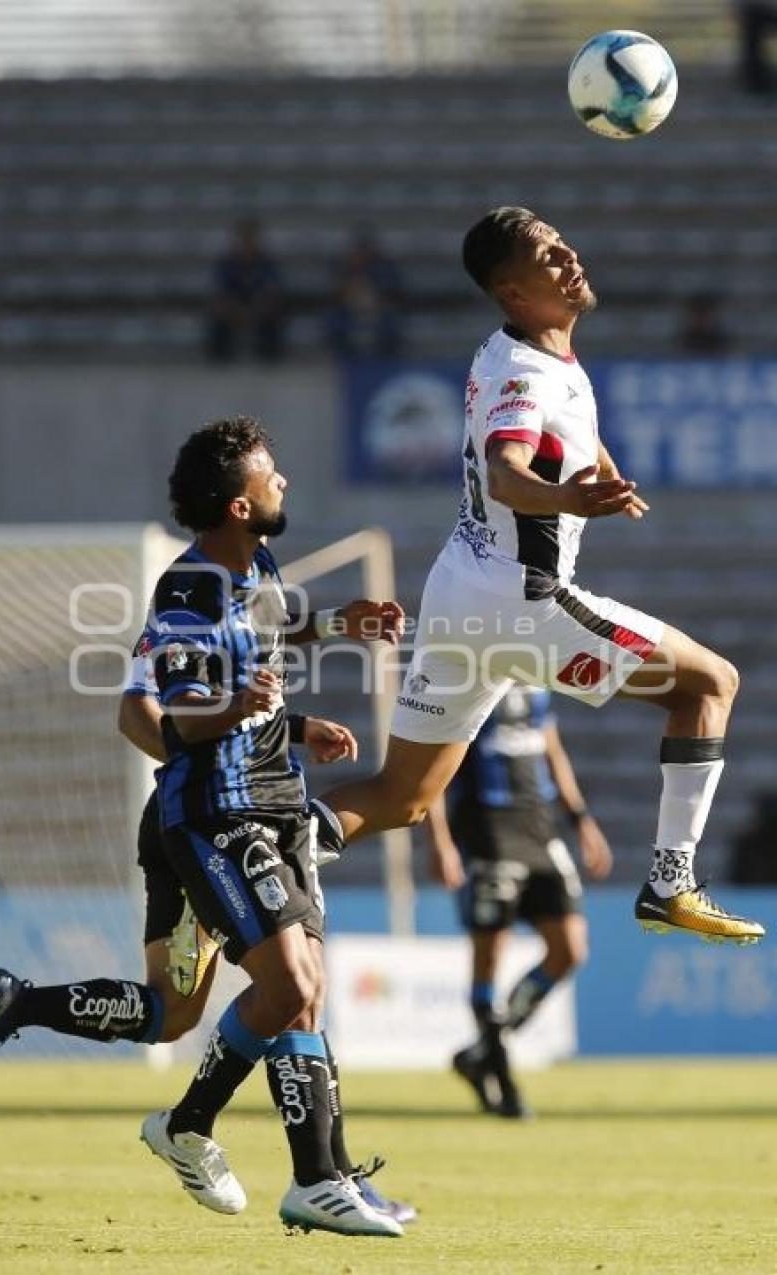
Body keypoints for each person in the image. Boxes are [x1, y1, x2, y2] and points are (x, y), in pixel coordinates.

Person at [0, 418, 411, 1236]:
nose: (285, 482)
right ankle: (227, 1140)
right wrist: (242, 724)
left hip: (249, 801)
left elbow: (264, 634)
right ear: (238, 501)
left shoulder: (250, 566)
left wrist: (331, 641)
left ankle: (21, 1005)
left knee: (177, 1012)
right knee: (290, 986)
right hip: (215, 813)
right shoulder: (188, 589)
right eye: (272, 474)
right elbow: (160, 711)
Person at [314, 205, 764, 947]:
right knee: (711, 684)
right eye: (547, 257)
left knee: (402, 798)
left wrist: (601, 471)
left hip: (459, 594)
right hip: (521, 599)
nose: (568, 258)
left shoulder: (515, 351)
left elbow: (554, 430)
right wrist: (568, 497)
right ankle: (671, 880)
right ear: (514, 293)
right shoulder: (527, 373)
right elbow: (506, 468)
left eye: (562, 244)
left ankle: (250, 853)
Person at [425, 685, 612, 1117]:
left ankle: (480, 1054)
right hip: (486, 829)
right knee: (489, 958)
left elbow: (552, 748)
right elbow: (431, 764)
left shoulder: (535, 681)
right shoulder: (466, 682)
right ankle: (502, 1080)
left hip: (539, 826)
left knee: (569, 950)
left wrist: (581, 819)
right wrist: (439, 841)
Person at [206, 220, 285, 362]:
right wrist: (236, 309)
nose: (247, 245)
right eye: (243, 240)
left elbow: (272, 292)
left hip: (259, 308)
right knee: (218, 314)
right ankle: (220, 356)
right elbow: (220, 292)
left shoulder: (267, 264)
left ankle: (269, 355)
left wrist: (254, 310)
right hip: (233, 307)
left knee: (273, 314)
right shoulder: (226, 264)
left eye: (251, 240)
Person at [327, 228, 404, 357]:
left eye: (366, 248)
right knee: (334, 322)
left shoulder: (384, 266)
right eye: (360, 248)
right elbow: (334, 294)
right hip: (349, 309)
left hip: (378, 309)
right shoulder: (343, 266)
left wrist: (375, 300)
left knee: (390, 324)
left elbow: (394, 292)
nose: (363, 252)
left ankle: (384, 360)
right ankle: (347, 359)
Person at [734, 1, 777, 94]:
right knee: (751, 27)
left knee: (751, 26)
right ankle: (757, 82)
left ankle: (756, 82)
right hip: (755, 9)